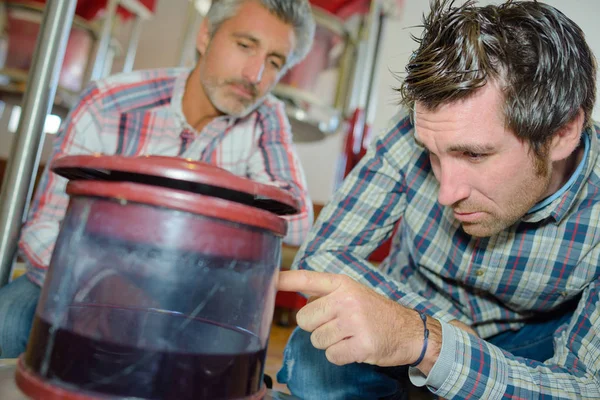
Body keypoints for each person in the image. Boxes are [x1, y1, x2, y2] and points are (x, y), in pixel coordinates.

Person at [276, 0, 600, 398]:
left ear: (562, 134)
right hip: (407, 304)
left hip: (521, 345)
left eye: (475, 154)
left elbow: (587, 385)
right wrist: (423, 328)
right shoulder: (424, 126)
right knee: (316, 368)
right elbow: (322, 255)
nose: (447, 192)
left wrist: (436, 346)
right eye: (432, 153)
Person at [0, 0, 316, 359]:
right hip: (86, 276)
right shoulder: (110, 102)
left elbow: (299, 222)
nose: (255, 75)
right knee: (6, 322)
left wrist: (184, 226)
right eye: (245, 45)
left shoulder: (266, 117)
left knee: (232, 356)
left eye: (274, 62)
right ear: (205, 34)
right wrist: (105, 282)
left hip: (196, 296)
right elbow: (42, 228)